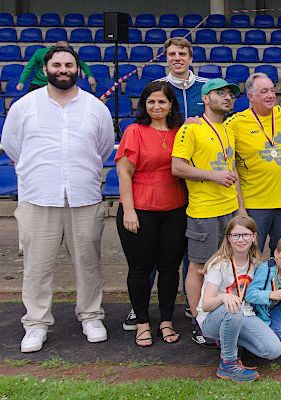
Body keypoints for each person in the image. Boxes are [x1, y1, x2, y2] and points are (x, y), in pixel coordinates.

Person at [2, 46, 114, 352]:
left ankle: (91, 316)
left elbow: (103, 148)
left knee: (88, 263)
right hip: (40, 198)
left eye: (69, 64)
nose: (63, 69)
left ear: (78, 69)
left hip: (84, 197)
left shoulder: (95, 108)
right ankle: (36, 324)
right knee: (37, 267)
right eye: (57, 64)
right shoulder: (25, 106)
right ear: (46, 68)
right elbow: (12, 146)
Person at [123, 36, 210, 337]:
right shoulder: (143, 116)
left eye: (182, 53)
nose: (177, 58)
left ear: (190, 56)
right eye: (171, 54)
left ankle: (181, 307)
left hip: (182, 192)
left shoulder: (203, 90)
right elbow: (125, 171)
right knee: (144, 261)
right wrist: (128, 209)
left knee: (176, 258)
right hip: (145, 199)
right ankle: (141, 310)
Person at [171, 78, 244, 346]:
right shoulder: (190, 130)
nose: (227, 97)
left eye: (230, 94)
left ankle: (219, 315)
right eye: (220, 93)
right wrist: (212, 176)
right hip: (204, 210)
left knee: (225, 267)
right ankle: (198, 320)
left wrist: (241, 210)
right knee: (199, 266)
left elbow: (231, 169)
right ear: (205, 98)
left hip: (229, 210)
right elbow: (177, 167)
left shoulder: (228, 129)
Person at [115, 81, 188, 346]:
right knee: (140, 268)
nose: (157, 106)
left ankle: (166, 321)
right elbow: (124, 172)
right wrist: (129, 210)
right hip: (140, 210)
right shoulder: (135, 131)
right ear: (144, 105)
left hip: (175, 210)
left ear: (171, 106)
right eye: (151, 101)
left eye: (162, 101)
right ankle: (143, 323)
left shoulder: (181, 132)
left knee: (170, 269)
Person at [197, 215, 281, 382]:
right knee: (233, 307)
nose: (240, 239)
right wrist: (223, 297)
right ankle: (228, 364)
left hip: (244, 315)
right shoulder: (219, 264)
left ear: (254, 237)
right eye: (235, 235)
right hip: (213, 319)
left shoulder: (256, 262)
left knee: (273, 351)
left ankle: (229, 339)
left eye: (245, 235)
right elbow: (206, 305)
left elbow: (273, 280)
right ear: (228, 238)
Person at [228, 73, 281, 254]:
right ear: (250, 96)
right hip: (255, 205)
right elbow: (227, 163)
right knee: (251, 255)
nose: (271, 95)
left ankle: (278, 284)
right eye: (264, 91)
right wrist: (240, 207)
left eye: (272, 90)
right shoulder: (235, 123)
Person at [16, 41, 96, 94]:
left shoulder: (69, 55)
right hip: (38, 83)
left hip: (56, 84)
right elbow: (29, 68)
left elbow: (82, 64)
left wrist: (90, 75)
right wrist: (21, 81)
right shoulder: (40, 53)